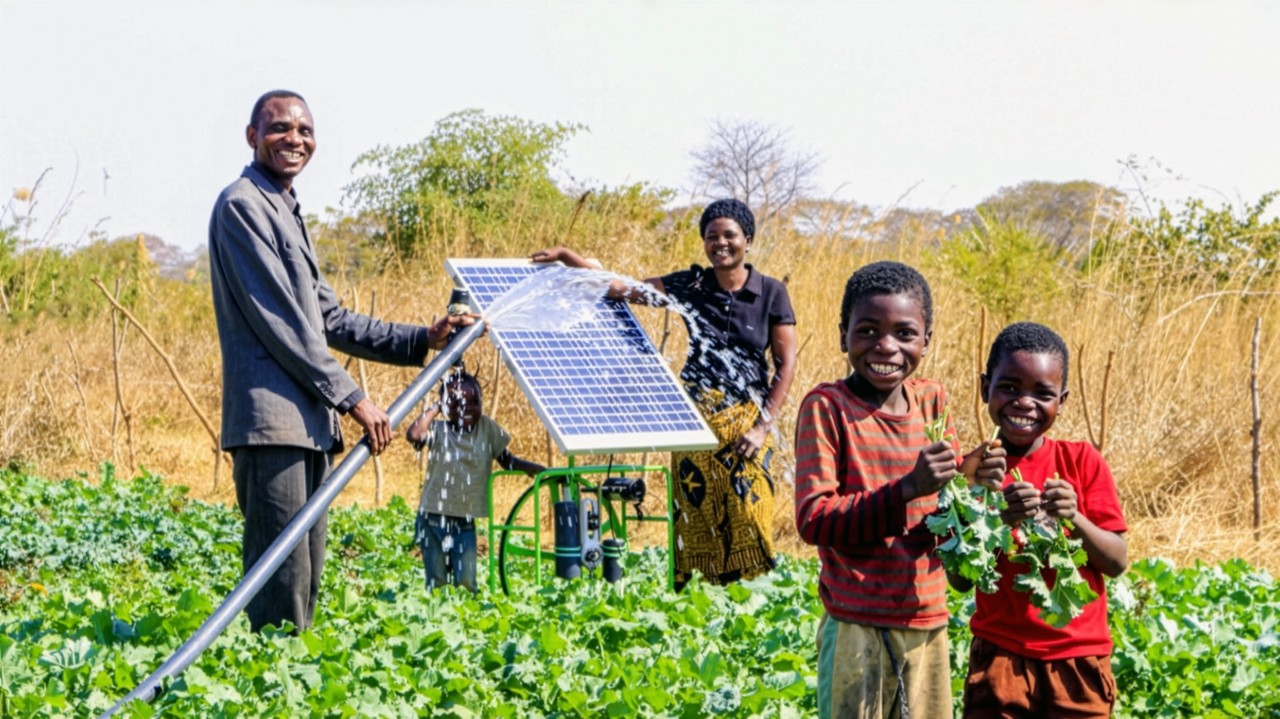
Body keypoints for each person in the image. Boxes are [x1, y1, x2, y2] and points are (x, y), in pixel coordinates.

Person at [209, 89, 471, 633]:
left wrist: (423, 336)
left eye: (304, 131)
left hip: (308, 426)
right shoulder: (243, 206)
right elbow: (284, 325)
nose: (295, 140)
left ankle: (291, 690)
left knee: (305, 578)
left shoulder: (285, 209)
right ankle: (270, 695)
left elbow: (331, 318)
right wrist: (355, 401)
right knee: (279, 580)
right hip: (272, 426)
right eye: (280, 128)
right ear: (253, 136)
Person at [530, 198, 797, 588]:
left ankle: (751, 605)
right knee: (697, 516)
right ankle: (702, 606)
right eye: (711, 237)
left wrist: (761, 427)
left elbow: (786, 366)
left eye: (729, 236)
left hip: (745, 422)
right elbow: (625, 290)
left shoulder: (771, 293)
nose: (720, 243)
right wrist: (575, 260)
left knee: (750, 513)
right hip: (695, 419)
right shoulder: (691, 284)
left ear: (748, 241)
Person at [793, 260, 1007, 719]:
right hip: (856, 622)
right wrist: (907, 487)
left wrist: (973, 473)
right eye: (868, 330)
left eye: (905, 333)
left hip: (926, 618)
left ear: (926, 340)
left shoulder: (932, 399)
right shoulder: (827, 408)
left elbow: (944, 496)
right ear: (842, 335)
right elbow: (814, 518)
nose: (886, 346)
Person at [954, 322, 1127, 718]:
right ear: (985, 389)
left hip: (1078, 660)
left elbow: (1116, 561)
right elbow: (960, 579)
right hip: (1000, 658)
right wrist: (996, 517)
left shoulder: (1082, 462)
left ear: (1062, 400)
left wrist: (1073, 518)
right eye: (1009, 388)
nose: (1024, 403)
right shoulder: (973, 471)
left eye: (1042, 393)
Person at [405, 370, 545, 592]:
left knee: (466, 582)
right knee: (438, 582)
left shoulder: (487, 429)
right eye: (458, 402)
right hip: (433, 518)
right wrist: (436, 406)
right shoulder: (439, 431)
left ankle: (465, 621)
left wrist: (533, 469)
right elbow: (414, 435)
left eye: (474, 401)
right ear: (446, 406)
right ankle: (438, 621)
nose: (467, 408)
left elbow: (507, 460)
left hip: (464, 521)